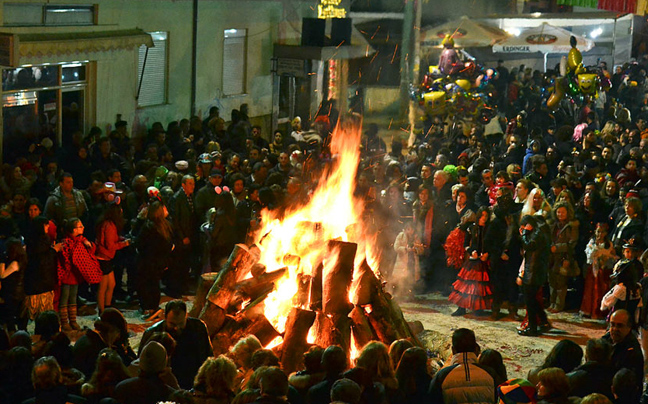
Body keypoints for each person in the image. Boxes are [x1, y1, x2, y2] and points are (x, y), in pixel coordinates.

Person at [138, 299, 212, 389]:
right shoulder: (153, 332)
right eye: (172, 324)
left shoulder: (198, 328)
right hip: (163, 382)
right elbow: (142, 361)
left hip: (192, 376)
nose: (177, 328)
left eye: (181, 323)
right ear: (165, 318)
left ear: (186, 316)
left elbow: (207, 355)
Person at [428, 328, 496, 404]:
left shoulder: (442, 376)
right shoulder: (491, 374)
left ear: (453, 350)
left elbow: (432, 400)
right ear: (475, 349)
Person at [57, 218, 100, 332]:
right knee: (65, 297)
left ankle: (73, 320)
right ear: (74, 230)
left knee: (73, 297)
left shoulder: (81, 240)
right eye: (80, 226)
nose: (83, 228)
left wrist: (87, 244)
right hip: (67, 273)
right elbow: (65, 257)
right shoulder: (66, 242)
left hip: (75, 275)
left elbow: (90, 251)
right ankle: (64, 321)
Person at [449, 207, 493, 316]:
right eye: (482, 216)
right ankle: (461, 307)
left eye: (486, 216)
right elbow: (465, 244)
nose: (484, 218)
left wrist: (487, 254)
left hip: (482, 261)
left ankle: (478, 308)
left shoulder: (489, 229)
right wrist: (471, 251)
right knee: (466, 285)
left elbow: (492, 244)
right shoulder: (472, 228)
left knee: (479, 286)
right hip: (472, 260)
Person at [135, 201, 174, 319]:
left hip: (148, 261)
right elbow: (169, 244)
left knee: (146, 284)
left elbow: (139, 243)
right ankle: (153, 306)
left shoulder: (148, 227)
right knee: (154, 283)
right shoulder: (165, 226)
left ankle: (148, 308)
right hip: (159, 261)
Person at [72, 308, 136, 379]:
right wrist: (122, 351)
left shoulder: (91, 338)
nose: (118, 338)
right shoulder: (98, 350)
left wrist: (125, 346)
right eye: (118, 334)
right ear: (113, 331)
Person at [517, 214, 551, 336]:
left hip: (533, 271)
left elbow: (529, 246)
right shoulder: (541, 232)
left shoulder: (537, 234)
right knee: (531, 299)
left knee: (530, 300)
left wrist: (525, 233)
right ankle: (543, 321)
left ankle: (533, 328)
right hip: (535, 271)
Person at [95, 202, 130, 314]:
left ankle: (107, 306)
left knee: (111, 284)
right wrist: (124, 244)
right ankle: (102, 310)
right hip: (103, 258)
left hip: (106, 258)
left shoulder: (107, 223)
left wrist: (121, 239)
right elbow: (110, 245)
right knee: (103, 287)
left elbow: (112, 238)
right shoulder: (109, 225)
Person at [547, 202, 579, 313]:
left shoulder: (572, 226)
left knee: (561, 282)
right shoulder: (553, 224)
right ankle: (552, 302)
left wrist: (558, 248)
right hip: (551, 257)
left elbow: (572, 244)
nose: (560, 214)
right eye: (558, 212)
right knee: (551, 281)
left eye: (563, 212)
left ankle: (559, 305)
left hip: (563, 257)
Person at [581, 223, 617, 319]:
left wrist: (606, 257)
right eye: (598, 232)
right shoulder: (592, 242)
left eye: (602, 232)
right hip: (593, 269)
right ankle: (588, 310)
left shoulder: (608, 244)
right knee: (590, 289)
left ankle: (598, 311)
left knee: (600, 290)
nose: (600, 234)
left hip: (603, 270)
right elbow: (588, 254)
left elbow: (612, 257)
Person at [602, 309, 644, 381]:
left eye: (619, 326)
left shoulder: (632, 352)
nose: (615, 329)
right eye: (612, 325)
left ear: (629, 327)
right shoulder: (605, 340)